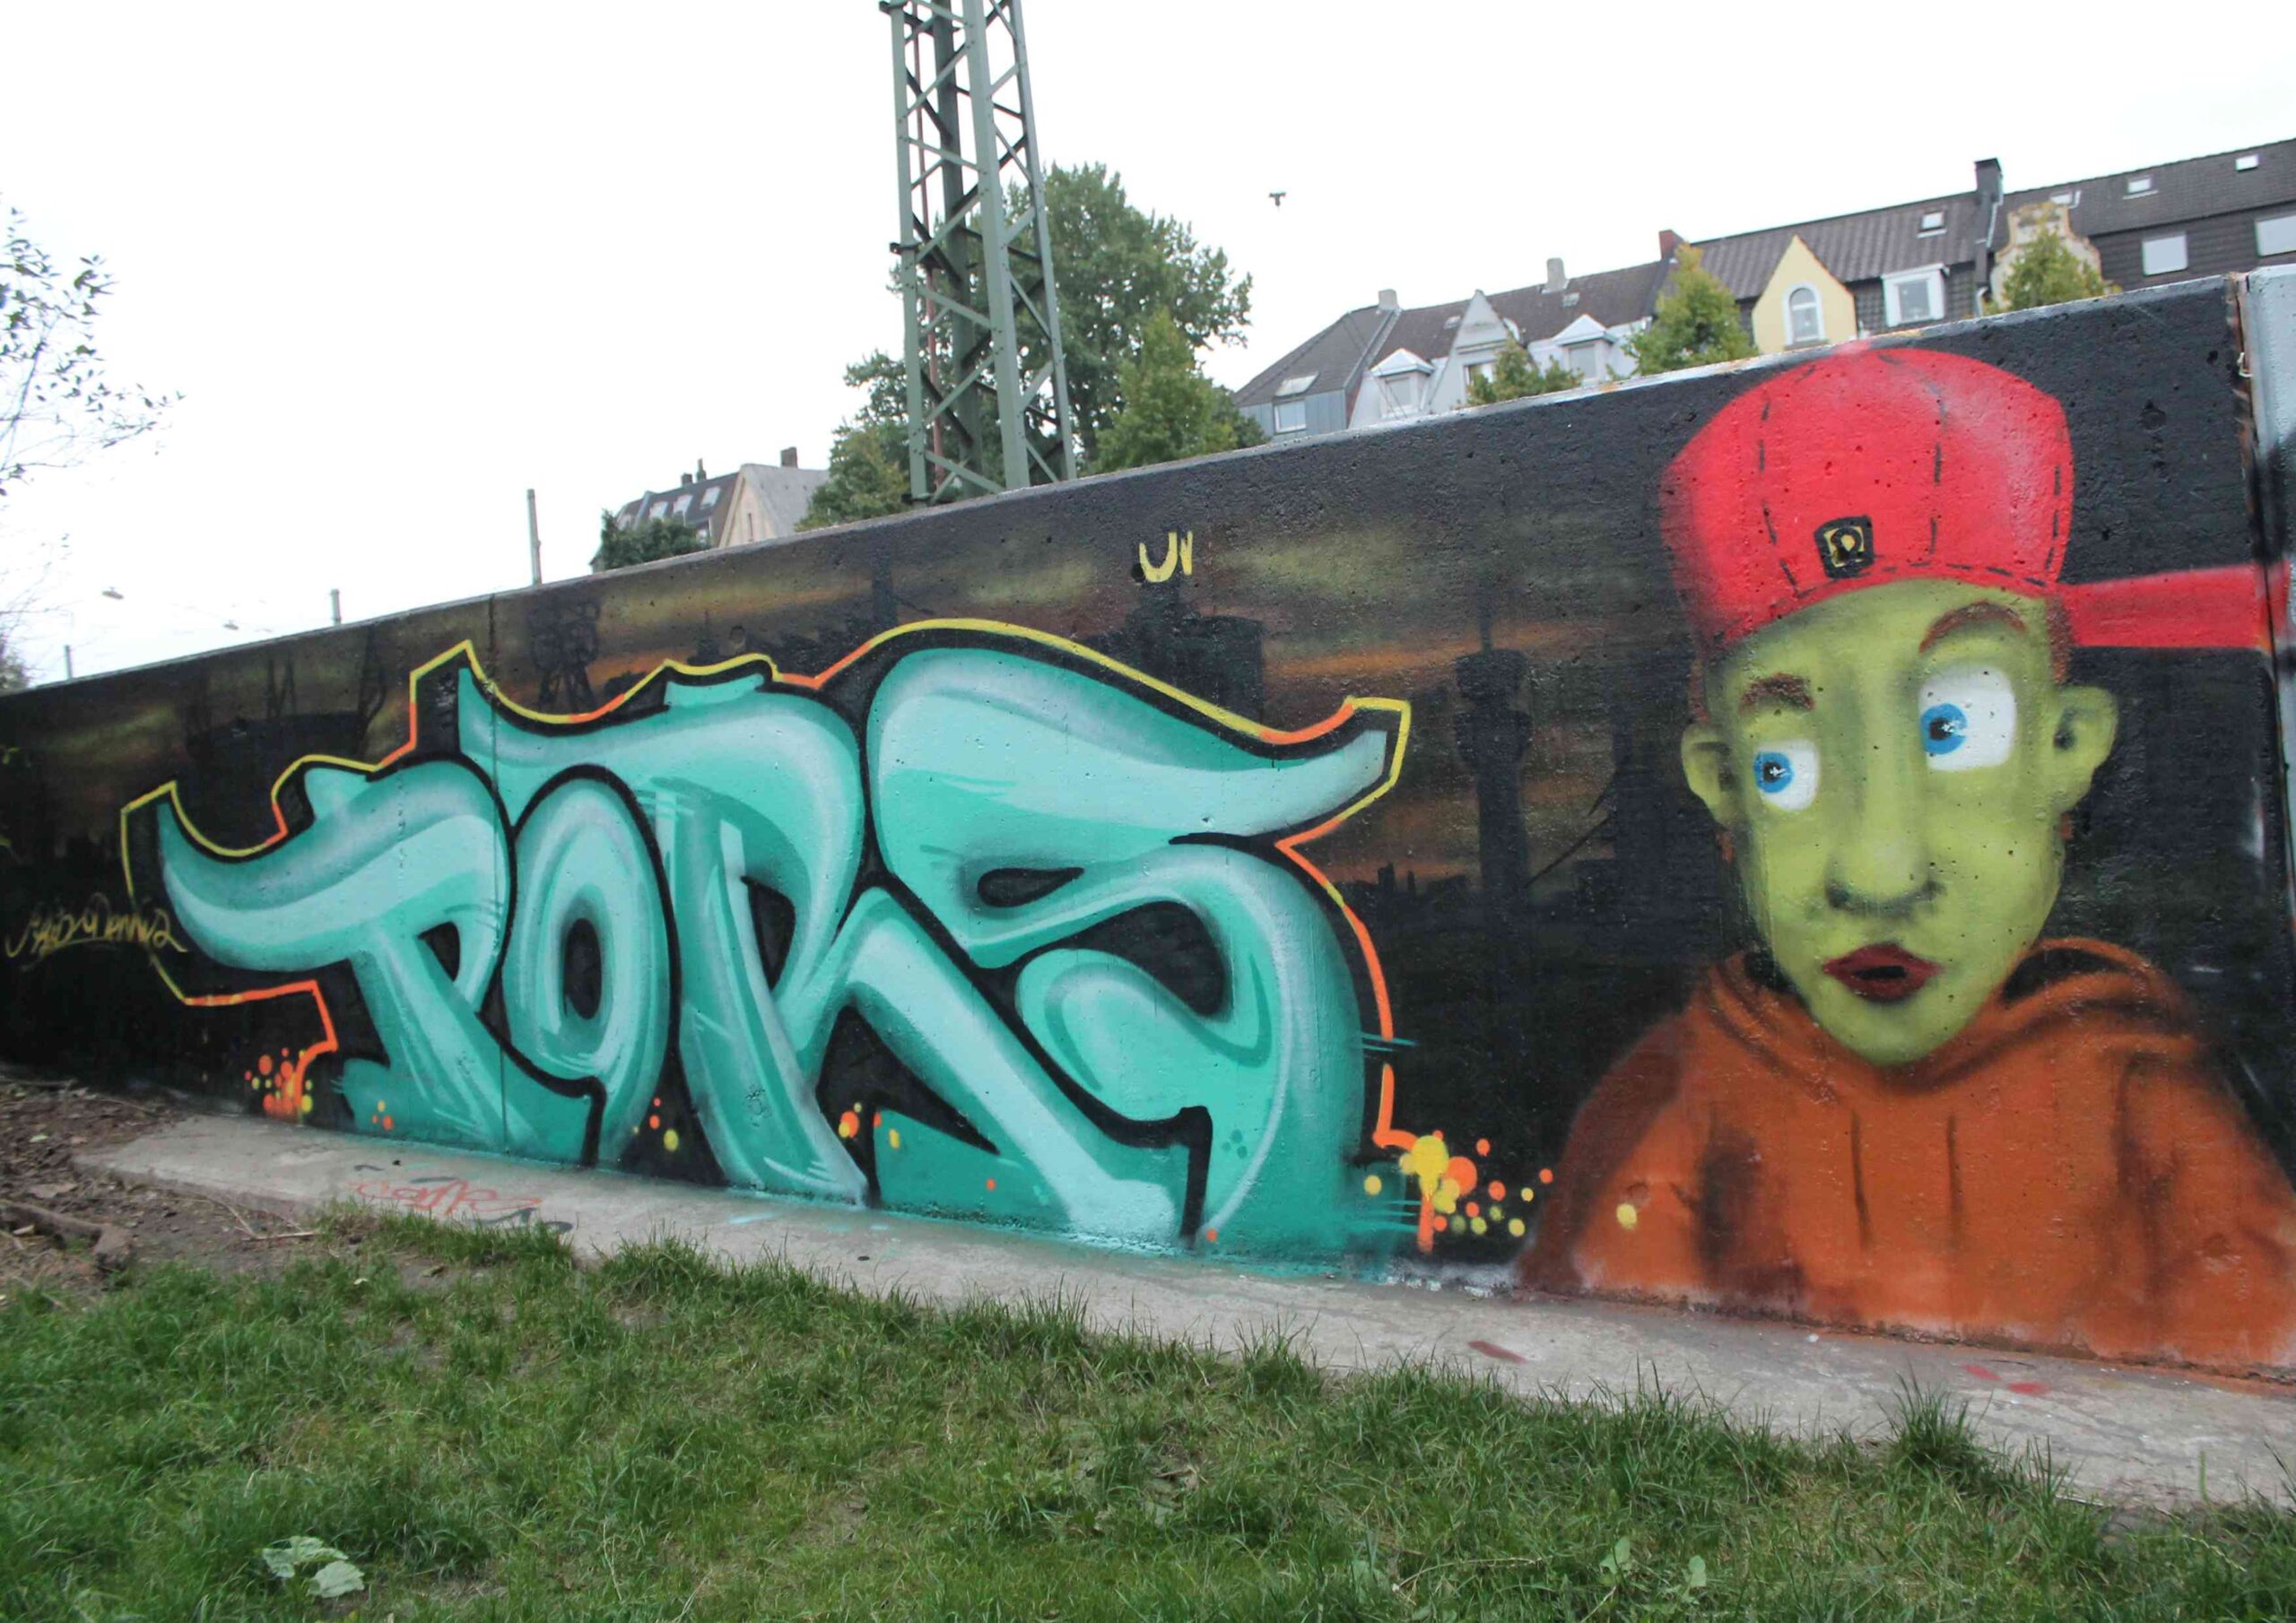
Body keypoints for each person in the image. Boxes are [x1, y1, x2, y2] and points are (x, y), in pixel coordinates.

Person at [1520, 346, 2296, 1369]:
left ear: (2068, 745)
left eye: (1952, 730)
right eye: (1785, 766)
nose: (1879, 874)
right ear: (1720, 782)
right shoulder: (1684, 1094)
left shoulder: (2139, 1092)